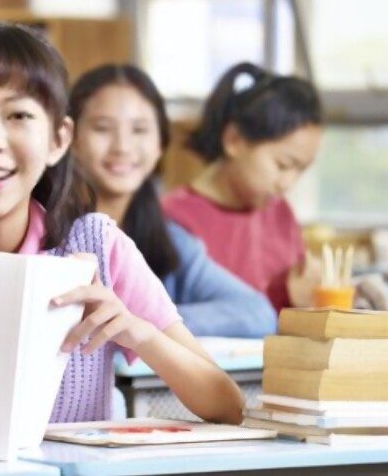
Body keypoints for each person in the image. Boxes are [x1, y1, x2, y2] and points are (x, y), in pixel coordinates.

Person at [0, 22, 244, 425]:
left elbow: (226, 405)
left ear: (58, 139)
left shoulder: (101, 248)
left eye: (18, 114)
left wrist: (138, 332)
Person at [69, 64, 276, 337]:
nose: (122, 146)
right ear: (69, 138)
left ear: (159, 145)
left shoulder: (172, 243)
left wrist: (145, 321)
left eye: (140, 130)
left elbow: (257, 313)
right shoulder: (44, 232)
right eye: (102, 128)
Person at [162, 62, 323, 312]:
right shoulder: (174, 219)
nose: (288, 183)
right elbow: (176, 319)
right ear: (234, 140)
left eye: (300, 170)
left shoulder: (280, 213)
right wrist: (284, 296)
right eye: (283, 165)